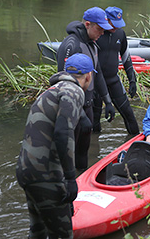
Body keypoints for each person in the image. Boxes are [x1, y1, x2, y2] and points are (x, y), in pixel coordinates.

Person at [16, 53, 95, 239]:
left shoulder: (52, 90)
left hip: (26, 171)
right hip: (46, 175)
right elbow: (62, 132)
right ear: (89, 76)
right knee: (62, 235)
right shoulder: (74, 91)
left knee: (38, 231)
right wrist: (69, 178)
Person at [56, 7, 116, 171]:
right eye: (100, 28)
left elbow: (99, 74)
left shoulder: (93, 45)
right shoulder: (71, 45)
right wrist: (80, 114)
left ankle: (81, 184)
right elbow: (63, 83)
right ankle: (67, 184)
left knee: (84, 152)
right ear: (88, 24)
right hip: (72, 109)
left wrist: (108, 101)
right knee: (69, 153)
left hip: (87, 105)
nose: (102, 33)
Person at [93, 6, 140, 137]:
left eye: (118, 25)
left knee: (129, 115)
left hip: (113, 81)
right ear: (106, 20)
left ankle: (137, 145)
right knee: (94, 121)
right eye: (113, 24)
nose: (116, 28)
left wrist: (132, 80)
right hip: (96, 83)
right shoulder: (97, 35)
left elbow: (126, 58)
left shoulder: (120, 34)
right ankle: (94, 152)